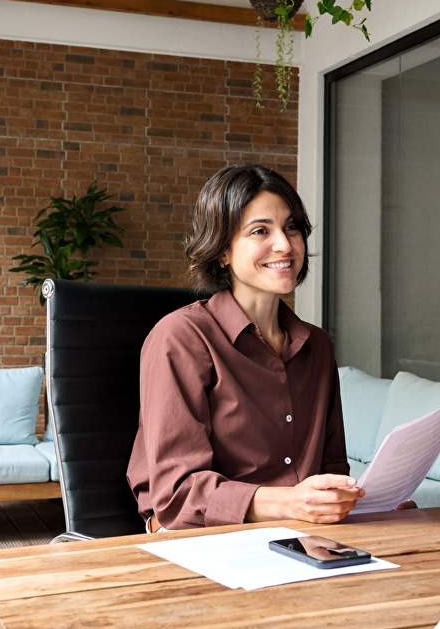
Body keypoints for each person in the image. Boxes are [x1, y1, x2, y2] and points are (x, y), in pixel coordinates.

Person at [128, 164, 390, 531]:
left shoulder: (317, 347)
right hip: (200, 538)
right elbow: (178, 496)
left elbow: (331, 467)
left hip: (300, 533)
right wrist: (290, 503)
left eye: (291, 227)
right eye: (260, 231)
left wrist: (357, 500)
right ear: (221, 251)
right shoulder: (182, 338)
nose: (284, 244)